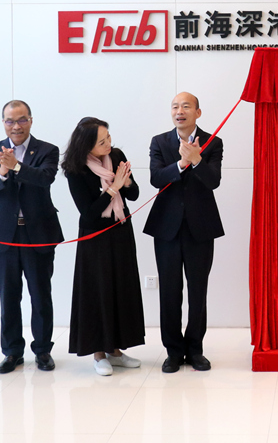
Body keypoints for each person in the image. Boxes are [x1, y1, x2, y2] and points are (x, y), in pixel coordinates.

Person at [0, 100, 64, 374]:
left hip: (38, 233)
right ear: (3, 122)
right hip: (5, 235)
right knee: (8, 296)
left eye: (21, 120)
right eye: (10, 121)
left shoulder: (48, 150)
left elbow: (45, 178)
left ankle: (43, 350)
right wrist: (3, 171)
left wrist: (16, 166)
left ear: (31, 120)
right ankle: (12, 352)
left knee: (41, 295)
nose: (16, 126)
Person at [144, 91, 224, 373]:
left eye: (186, 106)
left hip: (200, 227)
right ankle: (173, 351)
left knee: (198, 290)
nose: (180, 111)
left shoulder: (213, 142)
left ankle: (195, 350)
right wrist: (181, 164)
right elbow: (156, 178)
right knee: (169, 291)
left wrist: (198, 159)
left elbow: (213, 181)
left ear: (197, 113)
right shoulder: (159, 142)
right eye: (175, 106)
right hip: (166, 227)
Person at [62, 117, 145, 376]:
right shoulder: (75, 169)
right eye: (101, 142)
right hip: (94, 238)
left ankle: (116, 350)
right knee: (97, 292)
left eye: (108, 137)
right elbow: (89, 214)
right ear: (86, 145)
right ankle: (98, 353)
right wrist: (113, 188)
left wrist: (125, 183)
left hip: (120, 231)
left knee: (121, 288)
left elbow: (134, 194)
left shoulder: (116, 156)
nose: (108, 144)